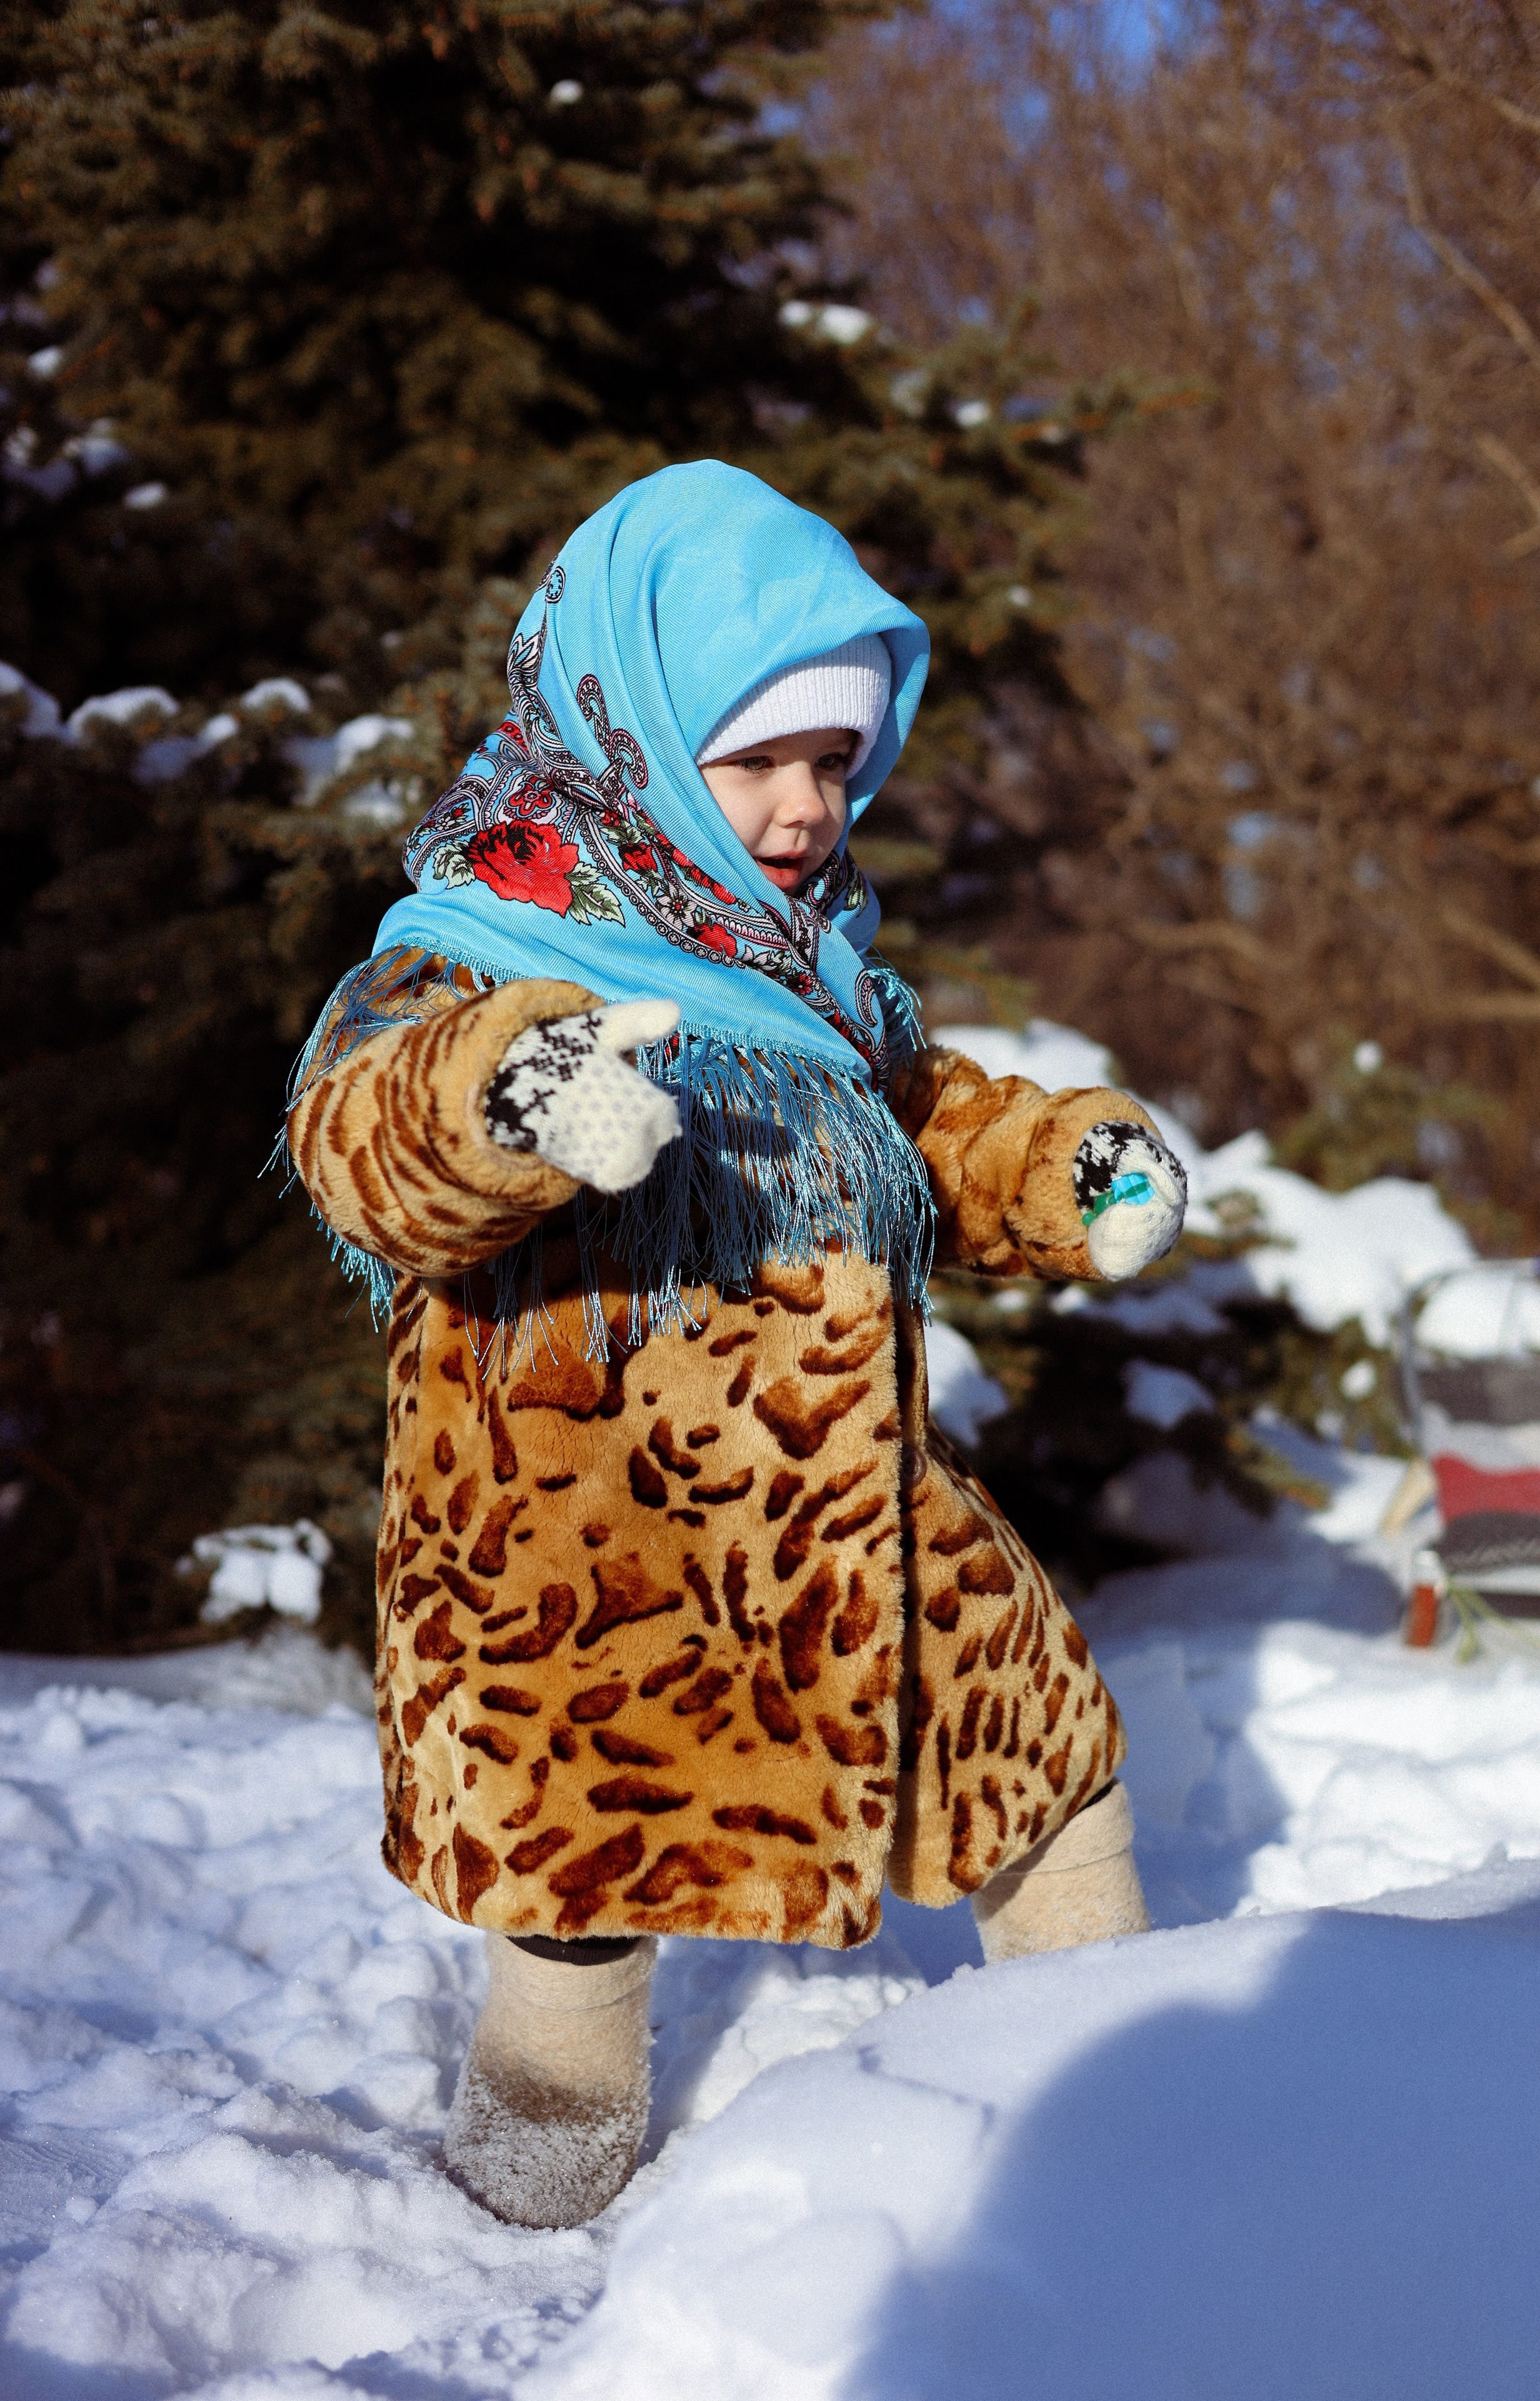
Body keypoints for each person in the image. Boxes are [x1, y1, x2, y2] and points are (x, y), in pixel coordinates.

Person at [285, 461, 1186, 2232]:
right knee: (576, 1890)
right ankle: (534, 2169)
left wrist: (1065, 1169)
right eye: (757, 757)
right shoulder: (485, 940)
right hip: (577, 1555)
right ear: (632, 721)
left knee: (1037, 1747)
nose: (799, 807)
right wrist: (521, 1094)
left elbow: (926, 1115)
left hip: (850, 1526)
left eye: (835, 764)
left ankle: (1137, 2088)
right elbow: (361, 1131)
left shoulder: (810, 969)